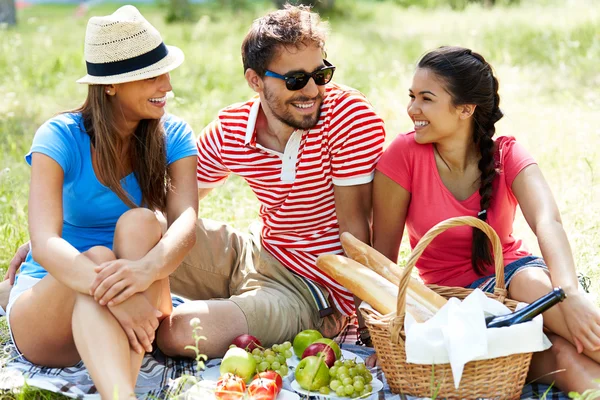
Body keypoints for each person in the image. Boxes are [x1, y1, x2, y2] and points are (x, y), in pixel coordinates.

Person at [155, 5, 386, 359]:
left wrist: (372, 326)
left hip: (311, 291)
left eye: (321, 74)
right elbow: (175, 200)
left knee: (181, 332)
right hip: (254, 252)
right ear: (255, 81)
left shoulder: (349, 117)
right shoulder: (232, 129)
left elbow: (354, 230)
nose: (313, 90)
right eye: (296, 79)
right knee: (138, 227)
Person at [371, 45, 600, 393]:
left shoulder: (506, 153)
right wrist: (379, 332)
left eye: (426, 98)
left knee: (542, 291)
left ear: (465, 108)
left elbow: (547, 221)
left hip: (511, 277)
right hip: (453, 304)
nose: (411, 109)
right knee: (565, 359)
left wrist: (570, 292)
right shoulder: (403, 155)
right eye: (411, 96)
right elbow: (382, 260)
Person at [4, 6, 198, 398]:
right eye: (152, 76)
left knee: (141, 221)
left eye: (165, 72)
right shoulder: (59, 136)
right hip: (52, 306)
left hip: (141, 287)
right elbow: (44, 242)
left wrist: (145, 272)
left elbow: (186, 223)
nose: (168, 86)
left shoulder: (173, 135)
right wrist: (115, 293)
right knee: (96, 256)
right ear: (111, 85)